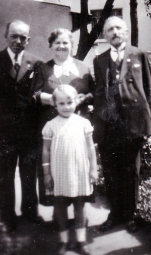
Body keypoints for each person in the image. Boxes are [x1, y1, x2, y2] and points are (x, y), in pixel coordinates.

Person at [93, 16, 151, 233]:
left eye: (118, 28)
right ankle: (115, 214)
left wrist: (148, 123)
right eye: (110, 29)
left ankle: (131, 214)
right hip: (108, 125)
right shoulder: (99, 60)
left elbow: (147, 89)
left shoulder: (139, 54)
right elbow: (99, 92)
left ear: (126, 32)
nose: (115, 32)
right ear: (105, 35)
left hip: (132, 124)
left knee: (131, 171)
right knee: (110, 170)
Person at [32, 28, 94, 205]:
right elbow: (34, 94)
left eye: (65, 42)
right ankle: (58, 215)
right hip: (52, 128)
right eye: (57, 43)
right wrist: (51, 99)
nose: (61, 46)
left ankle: (79, 211)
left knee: (77, 165)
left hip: (77, 126)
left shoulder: (83, 68)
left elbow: (93, 92)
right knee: (54, 167)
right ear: (51, 45)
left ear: (72, 46)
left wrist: (84, 98)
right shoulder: (43, 69)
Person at [42, 85, 97, 255]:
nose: (66, 107)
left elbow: (90, 148)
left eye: (70, 102)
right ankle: (63, 241)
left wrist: (93, 169)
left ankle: (81, 240)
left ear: (76, 102)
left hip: (79, 172)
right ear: (54, 104)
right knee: (60, 207)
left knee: (79, 206)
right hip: (59, 173)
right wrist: (46, 173)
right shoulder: (51, 125)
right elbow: (45, 150)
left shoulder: (83, 123)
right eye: (61, 103)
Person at [0, 20, 43, 232]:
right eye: (14, 36)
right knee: (5, 175)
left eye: (23, 37)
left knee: (29, 173)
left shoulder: (36, 63)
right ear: (6, 36)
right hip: (3, 132)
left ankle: (30, 211)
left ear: (29, 39)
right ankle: (7, 216)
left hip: (28, 129)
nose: (18, 41)